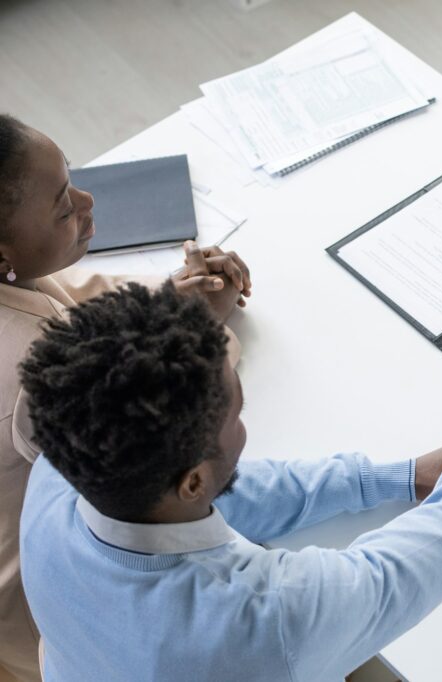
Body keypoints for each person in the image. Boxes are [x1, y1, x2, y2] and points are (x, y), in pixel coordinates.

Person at [18, 277, 442, 681]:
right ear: (192, 482)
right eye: (236, 415)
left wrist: (393, 478)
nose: (244, 428)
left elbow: (226, 493)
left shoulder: (59, 471)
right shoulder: (268, 619)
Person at [0, 113, 252, 682]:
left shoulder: (14, 280)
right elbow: (176, 419)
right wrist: (193, 325)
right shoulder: (30, 372)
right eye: (64, 207)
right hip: (57, 605)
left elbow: (75, 303)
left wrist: (165, 300)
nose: (89, 202)